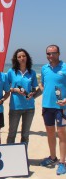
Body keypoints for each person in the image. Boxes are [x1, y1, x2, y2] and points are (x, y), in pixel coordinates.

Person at [39, 44, 66, 175]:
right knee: (50, 133)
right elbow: (42, 83)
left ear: (59, 53)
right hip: (47, 107)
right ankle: (53, 158)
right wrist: (45, 91)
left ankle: (62, 162)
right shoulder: (44, 68)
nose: (50, 56)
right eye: (48, 54)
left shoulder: (65, 67)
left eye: (53, 53)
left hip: (62, 108)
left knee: (61, 134)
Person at [6, 49, 38, 145]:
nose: (22, 58)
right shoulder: (11, 72)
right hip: (15, 107)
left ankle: (23, 156)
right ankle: (10, 155)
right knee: (12, 134)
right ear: (16, 59)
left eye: (23, 56)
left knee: (25, 135)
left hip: (29, 108)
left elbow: (34, 87)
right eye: (19, 57)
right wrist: (15, 90)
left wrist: (32, 93)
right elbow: (7, 88)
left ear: (27, 57)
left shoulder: (32, 72)